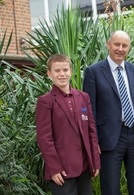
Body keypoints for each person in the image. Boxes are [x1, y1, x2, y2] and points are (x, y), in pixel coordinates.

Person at [83, 30, 134, 195]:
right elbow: (90, 110)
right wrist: (93, 140)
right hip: (109, 138)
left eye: (124, 45)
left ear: (129, 47)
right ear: (108, 44)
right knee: (110, 187)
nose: (120, 49)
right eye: (117, 44)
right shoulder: (93, 72)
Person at [35, 54, 100, 195]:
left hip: (84, 166)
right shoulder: (45, 101)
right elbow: (44, 138)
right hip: (62, 169)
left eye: (65, 70)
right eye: (57, 71)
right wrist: (54, 168)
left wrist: (95, 161)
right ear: (49, 73)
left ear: (71, 71)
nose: (62, 74)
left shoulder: (83, 97)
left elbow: (91, 131)